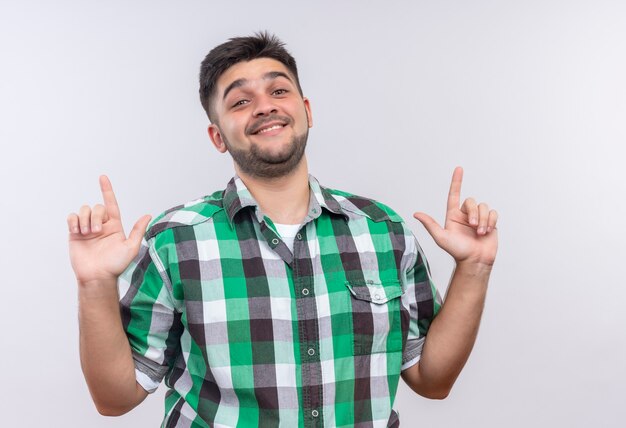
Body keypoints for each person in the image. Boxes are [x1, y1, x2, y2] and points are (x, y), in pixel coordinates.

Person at [67, 32, 498, 427]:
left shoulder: (384, 231)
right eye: (240, 101)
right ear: (217, 136)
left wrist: (475, 266)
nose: (265, 106)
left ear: (306, 112)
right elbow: (115, 398)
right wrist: (93, 283)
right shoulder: (173, 241)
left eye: (279, 90)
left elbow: (432, 380)